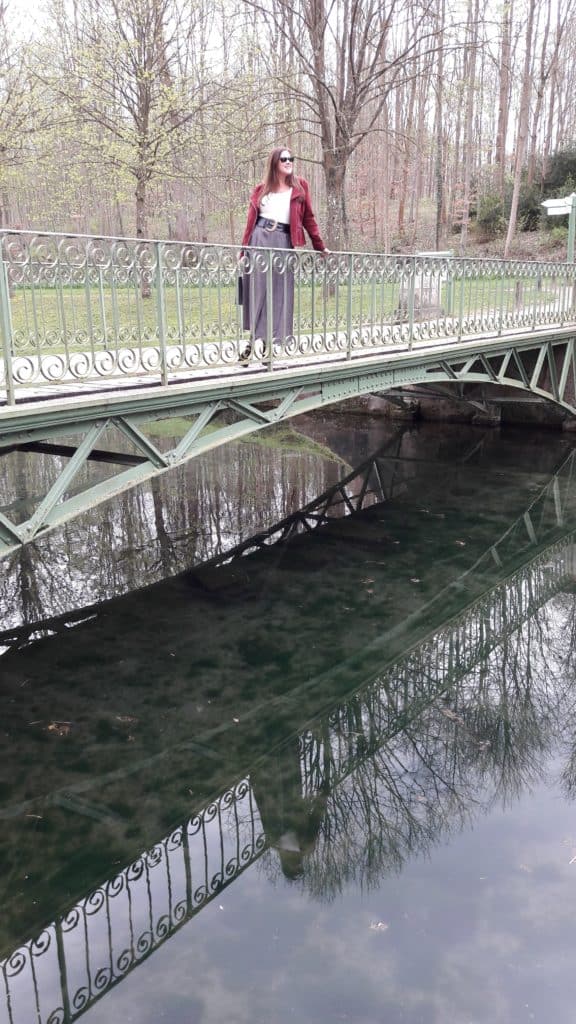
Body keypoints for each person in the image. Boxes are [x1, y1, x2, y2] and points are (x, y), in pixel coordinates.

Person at [239, 146, 328, 365]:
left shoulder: (300, 187)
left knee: (278, 294)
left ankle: (269, 346)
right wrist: (243, 251)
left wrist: (320, 246)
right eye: (284, 159)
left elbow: (309, 219)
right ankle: (251, 341)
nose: (289, 162)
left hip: (283, 241)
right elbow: (250, 223)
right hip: (259, 241)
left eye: (291, 159)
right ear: (274, 164)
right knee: (257, 292)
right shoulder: (261, 190)